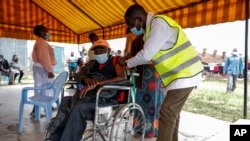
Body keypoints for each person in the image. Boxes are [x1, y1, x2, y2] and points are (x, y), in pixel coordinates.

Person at [119, 4, 204, 141]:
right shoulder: (150, 32)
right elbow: (150, 57)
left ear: (139, 19)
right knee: (172, 115)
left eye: (131, 25)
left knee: (167, 113)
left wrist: (128, 63)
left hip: (186, 74)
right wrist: (131, 59)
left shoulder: (159, 24)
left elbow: (147, 55)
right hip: (178, 76)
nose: (131, 29)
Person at [48, 39, 126, 141]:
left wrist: (98, 83)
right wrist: (86, 79)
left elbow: (122, 77)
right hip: (91, 96)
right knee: (66, 100)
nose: (99, 53)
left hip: (108, 98)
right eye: (96, 51)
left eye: (102, 50)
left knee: (79, 108)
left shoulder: (116, 61)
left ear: (109, 50)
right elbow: (78, 74)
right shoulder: (92, 63)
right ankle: (56, 138)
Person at [31, 25, 57, 117]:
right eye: (46, 31)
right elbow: (44, 57)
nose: (48, 32)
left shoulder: (42, 42)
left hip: (42, 68)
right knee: (41, 89)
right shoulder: (41, 42)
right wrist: (49, 70)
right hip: (43, 68)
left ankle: (46, 106)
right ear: (41, 32)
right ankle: (36, 110)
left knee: (44, 88)